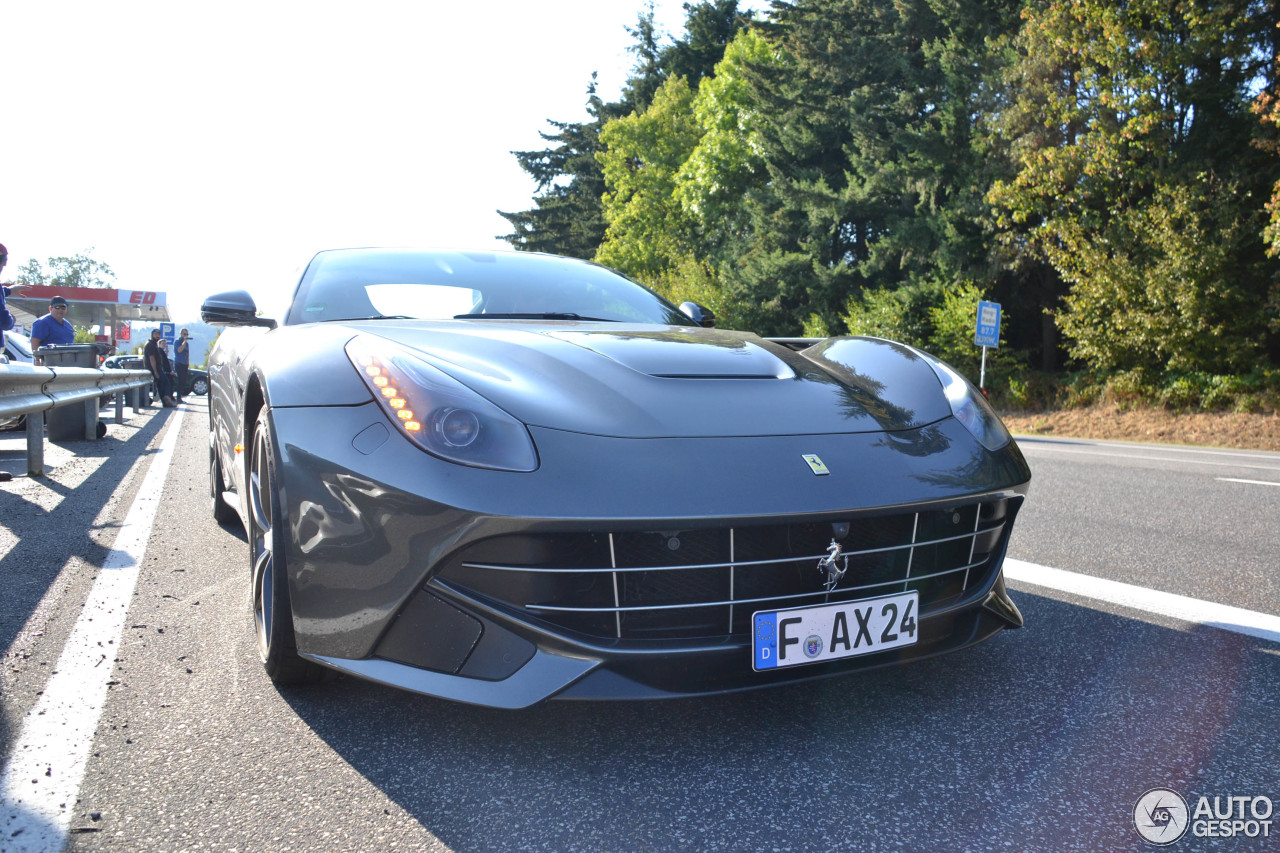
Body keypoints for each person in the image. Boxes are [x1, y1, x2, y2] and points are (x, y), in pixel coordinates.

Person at [143, 329, 177, 407]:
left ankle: (165, 402)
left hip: (156, 368)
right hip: (154, 369)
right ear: (152, 334)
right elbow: (152, 358)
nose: (157, 336)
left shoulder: (154, 344)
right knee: (166, 383)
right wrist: (155, 371)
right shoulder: (150, 344)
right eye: (156, 334)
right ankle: (166, 398)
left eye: (158, 334)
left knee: (161, 385)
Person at [174, 328, 191, 403]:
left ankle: (180, 395)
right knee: (180, 380)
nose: (186, 336)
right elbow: (179, 350)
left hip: (185, 364)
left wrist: (188, 363)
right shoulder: (178, 341)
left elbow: (187, 354)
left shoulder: (187, 344)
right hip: (179, 363)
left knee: (183, 381)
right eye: (184, 334)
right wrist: (184, 341)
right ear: (181, 334)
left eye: (187, 334)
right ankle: (178, 397)